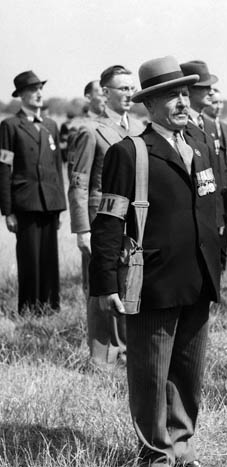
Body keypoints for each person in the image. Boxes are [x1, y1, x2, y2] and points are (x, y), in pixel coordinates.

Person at [89, 56, 222, 467]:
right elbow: (109, 221)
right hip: (152, 280)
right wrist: (105, 283)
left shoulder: (199, 146)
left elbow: (208, 208)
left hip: (198, 278)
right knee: (150, 372)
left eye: (186, 93)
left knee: (188, 370)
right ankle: (154, 455)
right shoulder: (129, 152)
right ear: (150, 104)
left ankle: (180, 448)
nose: (183, 102)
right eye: (172, 95)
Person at [68, 65, 143, 365]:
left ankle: (126, 349)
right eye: (122, 89)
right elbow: (79, 182)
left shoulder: (139, 128)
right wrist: (82, 229)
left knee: (129, 282)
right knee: (101, 287)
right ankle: (102, 356)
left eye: (131, 88)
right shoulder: (90, 131)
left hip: (133, 220)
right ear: (105, 92)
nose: (128, 94)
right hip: (101, 221)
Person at [0, 70, 66, 313]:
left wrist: (60, 207)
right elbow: (4, 169)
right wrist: (7, 211)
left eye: (40, 89)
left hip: (50, 203)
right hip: (25, 203)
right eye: (32, 90)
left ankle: (51, 306)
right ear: (21, 96)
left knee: (50, 258)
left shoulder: (50, 126)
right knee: (29, 258)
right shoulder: (9, 125)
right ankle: (29, 308)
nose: (38, 94)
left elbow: (58, 167)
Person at [180, 60, 226, 231]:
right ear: (189, 90)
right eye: (205, 87)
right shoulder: (179, 127)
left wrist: (219, 216)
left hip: (212, 215)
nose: (211, 92)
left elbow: (217, 176)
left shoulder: (210, 124)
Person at [202, 85, 227, 271]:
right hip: (212, 186)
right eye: (215, 102)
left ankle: (223, 265)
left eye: (221, 102)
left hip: (226, 188)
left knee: (224, 233)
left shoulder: (226, 127)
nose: (218, 106)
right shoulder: (204, 125)